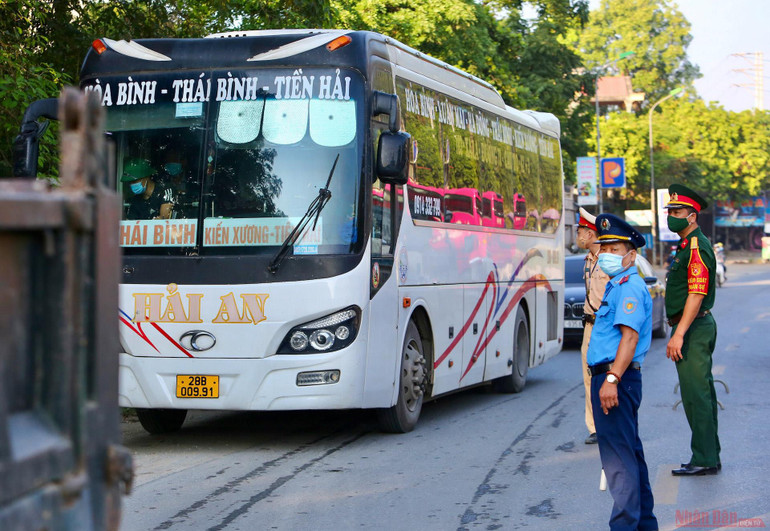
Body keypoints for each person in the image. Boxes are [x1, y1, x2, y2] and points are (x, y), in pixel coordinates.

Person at [587, 213, 657, 531]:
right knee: (629, 454)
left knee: (618, 462)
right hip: (616, 377)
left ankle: (626, 526)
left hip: (617, 377)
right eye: (604, 248)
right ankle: (644, 525)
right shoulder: (618, 285)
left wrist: (612, 379)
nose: (607, 255)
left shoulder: (629, 287)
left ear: (632, 254)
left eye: (615, 248)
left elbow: (629, 338)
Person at [664, 184, 720, 476]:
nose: (671, 216)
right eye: (669, 211)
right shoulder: (686, 245)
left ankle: (704, 458)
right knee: (702, 394)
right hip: (694, 327)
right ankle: (709, 454)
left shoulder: (696, 245)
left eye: (677, 211)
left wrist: (679, 334)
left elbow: (696, 295)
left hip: (694, 329)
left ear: (692, 216)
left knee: (696, 395)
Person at [576, 207, 610, 445]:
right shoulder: (587, 260)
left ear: (589, 233)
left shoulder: (608, 261)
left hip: (606, 326)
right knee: (589, 378)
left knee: (608, 376)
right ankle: (595, 427)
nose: (578, 236)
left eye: (580, 231)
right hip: (589, 325)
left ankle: (611, 423)